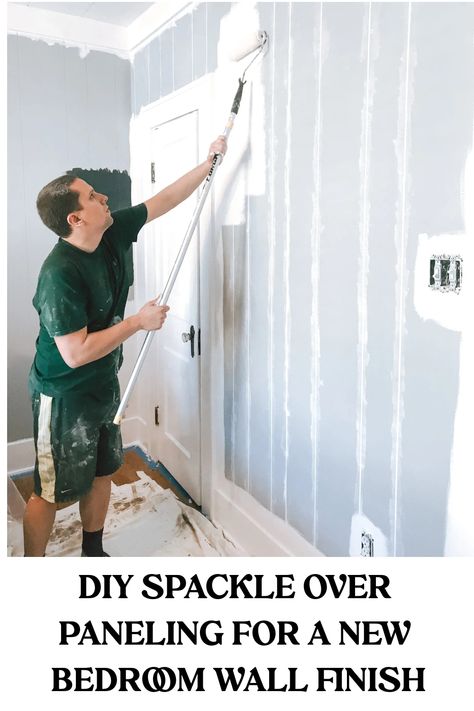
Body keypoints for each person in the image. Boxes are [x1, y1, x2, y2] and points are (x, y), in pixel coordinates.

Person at [23, 135, 227, 557]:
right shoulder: (58, 274)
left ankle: (93, 551)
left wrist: (209, 163)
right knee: (49, 490)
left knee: (102, 471)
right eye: (93, 196)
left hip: (103, 384)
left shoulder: (111, 233)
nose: (105, 197)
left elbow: (166, 198)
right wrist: (137, 322)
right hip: (62, 395)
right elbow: (75, 353)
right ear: (76, 219)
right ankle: (30, 569)